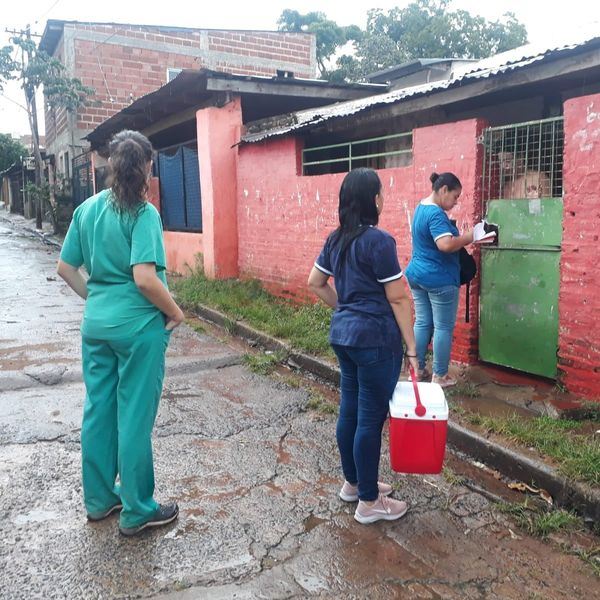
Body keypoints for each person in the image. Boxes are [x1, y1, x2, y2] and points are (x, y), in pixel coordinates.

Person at [57, 130, 185, 536]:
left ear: (109, 164)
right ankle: (137, 510)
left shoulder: (87, 210)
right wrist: (175, 312)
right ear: (146, 167)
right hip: (137, 330)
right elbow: (145, 278)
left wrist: (96, 299)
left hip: (96, 328)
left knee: (99, 410)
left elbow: (66, 268)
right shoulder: (143, 213)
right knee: (133, 417)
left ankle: (99, 501)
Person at [308, 167, 419, 525]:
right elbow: (398, 298)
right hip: (375, 341)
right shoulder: (379, 241)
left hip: (344, 338)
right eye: (381, 193)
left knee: (351, 411)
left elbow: (315, 282)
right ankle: (369, 502)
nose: (383, 198)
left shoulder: (335, 239)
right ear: (374, 200)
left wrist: (345, 308)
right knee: (370, 419)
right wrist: (412, 348)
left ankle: (354, 484)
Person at [405, 172, 492, 387]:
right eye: (455, 196)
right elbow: (445, 245)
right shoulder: (436, 214)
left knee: (423, 322)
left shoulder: (421, 207)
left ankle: (417, 370)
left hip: (417, 275)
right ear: (443, 190)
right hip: (439, 279)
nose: (455, 202)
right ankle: (440, 375)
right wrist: (471, 236)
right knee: (443, 327)